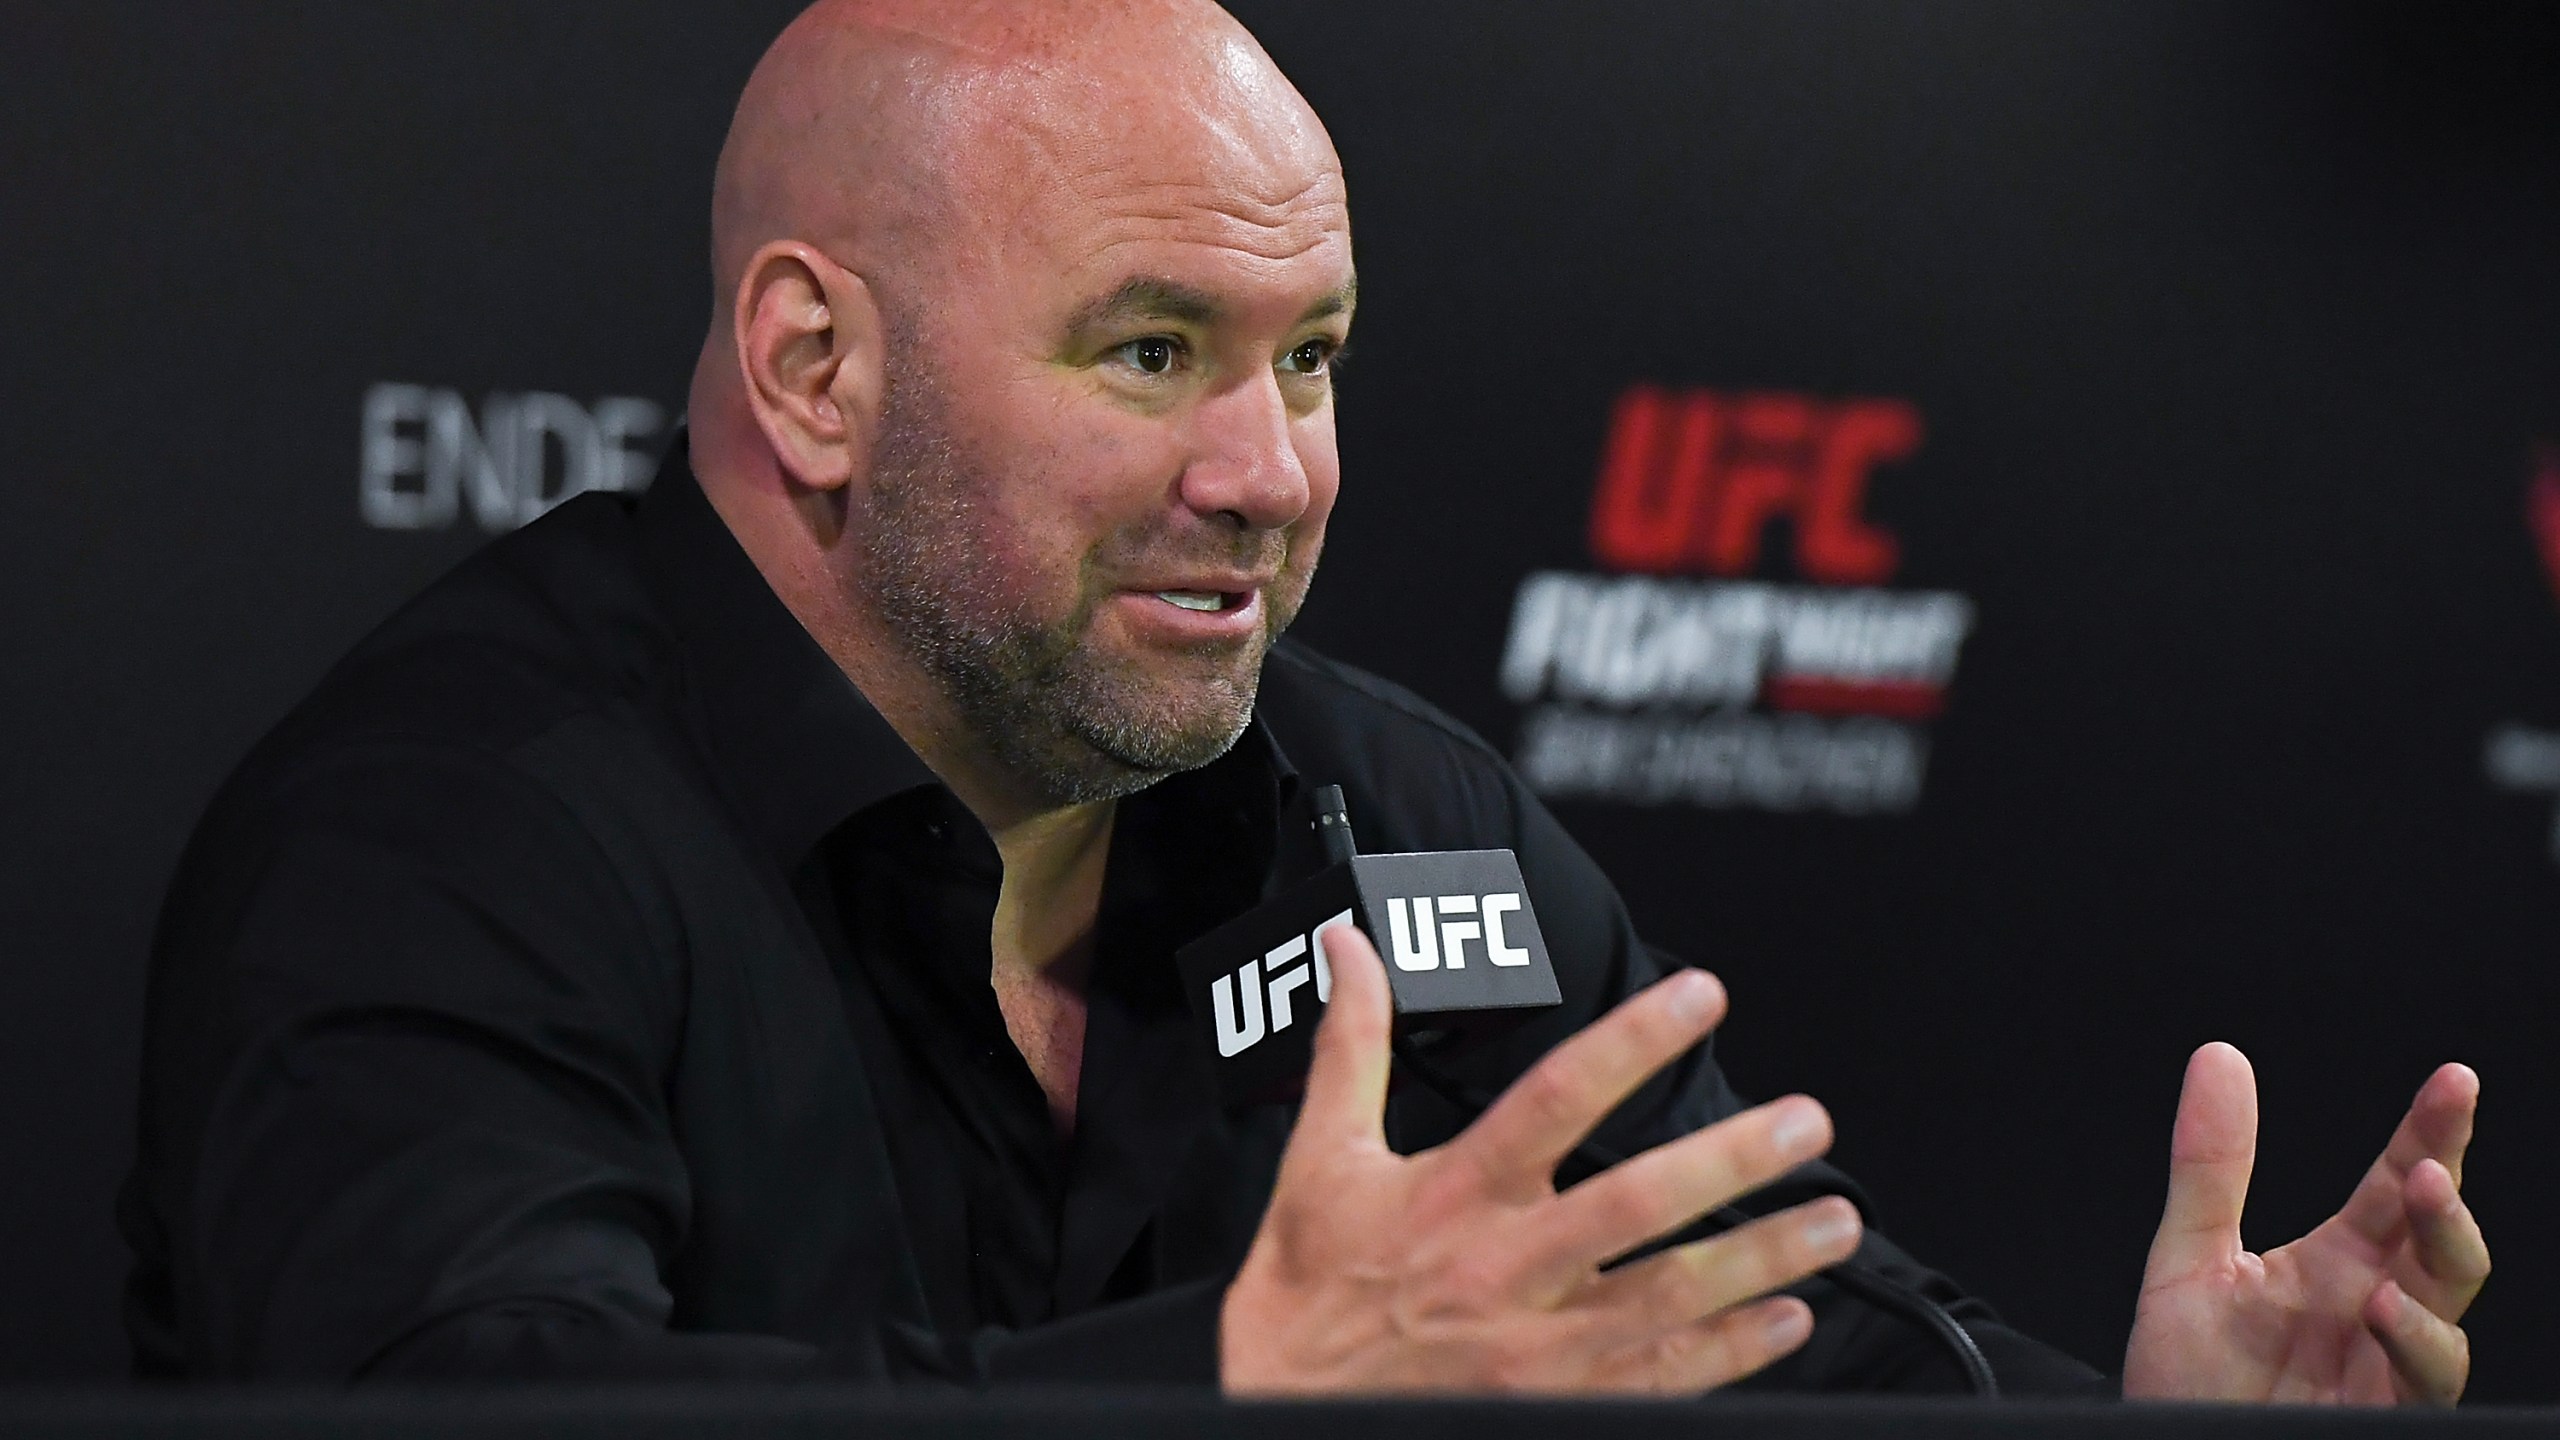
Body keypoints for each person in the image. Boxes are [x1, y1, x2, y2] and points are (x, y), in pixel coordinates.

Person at [120, 0, 2486, 1401]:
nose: (1269, 476)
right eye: (1152, 353)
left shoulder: (1378, 809)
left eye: (1313, 361)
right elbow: (470, 1405)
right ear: (813, 369)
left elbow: (1752, 1319)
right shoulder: (444, 838)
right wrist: (1248, 1377)